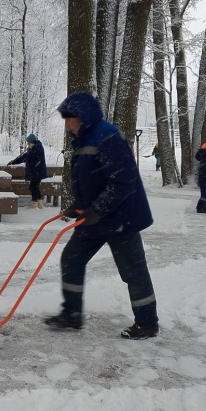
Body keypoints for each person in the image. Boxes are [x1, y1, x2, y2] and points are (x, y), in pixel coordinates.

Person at [45, 91, 159, 340]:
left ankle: (147, 323)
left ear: (82, 117)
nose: (67, 124)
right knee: (71, 260)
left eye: (69, 118)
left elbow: (123, 182)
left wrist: (97, 209)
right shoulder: (85, 139)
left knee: (133, 271)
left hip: (121, 217)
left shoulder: (107, 136)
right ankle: (71, 314)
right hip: (95, 217)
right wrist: (79, 205)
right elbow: (93, 180)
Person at [8, 133, 48, 209]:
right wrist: (14, 162)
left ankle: (34, 203)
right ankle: (39, 203)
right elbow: (24, 157)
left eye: (28, 142)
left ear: (31, 141)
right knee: (35, 187)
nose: (27, 143)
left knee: (33, 186)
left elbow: (36, 157)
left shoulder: (38, 147)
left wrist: (32, 149)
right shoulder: (32, 148)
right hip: (35, 172)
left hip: (37, 171)